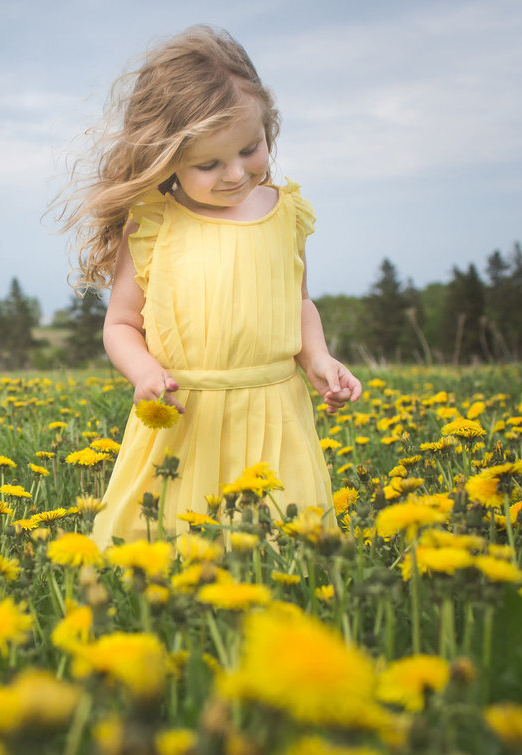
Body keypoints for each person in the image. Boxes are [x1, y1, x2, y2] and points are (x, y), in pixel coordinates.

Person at [55, 25, 362, 546]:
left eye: (250, 148)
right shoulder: (153, 222)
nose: (236, 173)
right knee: (170, 548)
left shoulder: (286, 214)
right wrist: (144, 372)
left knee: (282, 550)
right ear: (166, 156)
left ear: (269, 128)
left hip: (274, 413)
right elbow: (122, 324)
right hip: (186, 418)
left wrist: (318, 358)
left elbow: (300, 301)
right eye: (209, 163)